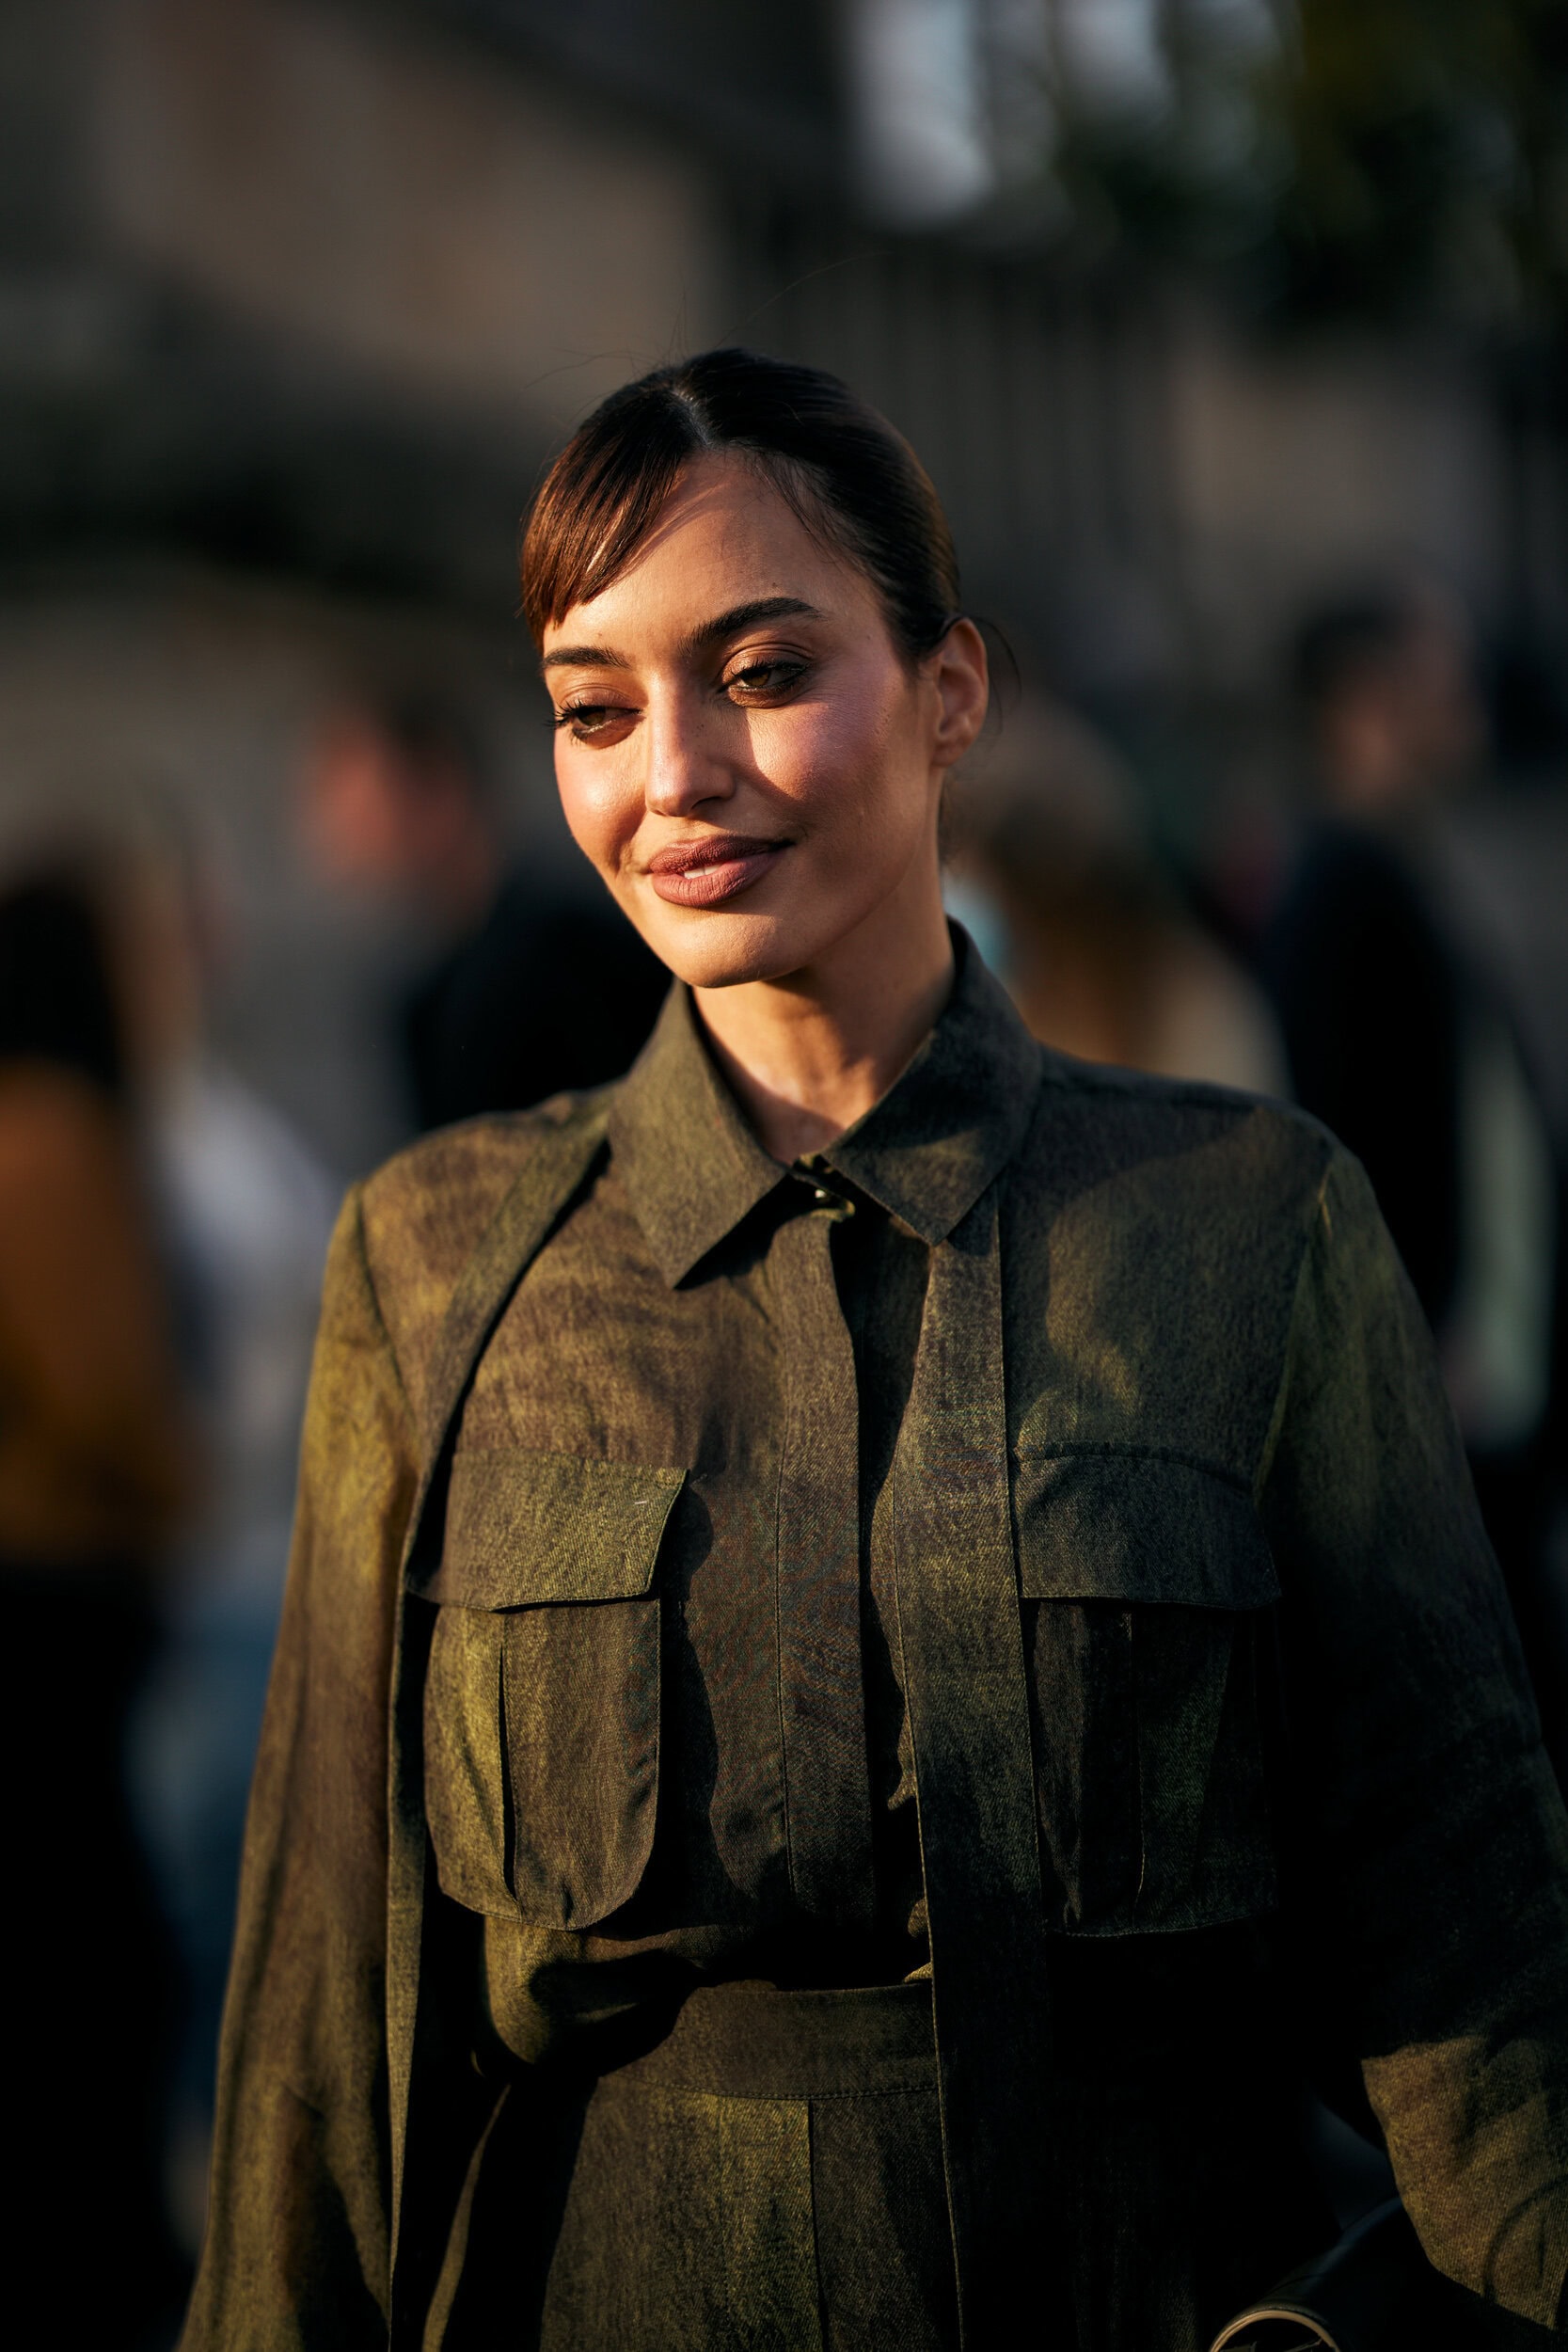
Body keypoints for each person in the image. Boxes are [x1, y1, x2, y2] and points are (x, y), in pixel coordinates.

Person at [182, 353, 1568, 2351]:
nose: (669, 773)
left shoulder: (1248, 1226)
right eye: (591, 707)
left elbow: (1478, 1972)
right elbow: (321, 2058)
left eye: (757, 672)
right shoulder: (436, 1263)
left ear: (950, 693)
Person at [1263, 585, 1564, 1755]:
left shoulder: (1384, 868)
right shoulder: (1339, 884)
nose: (1468, 692)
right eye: (1438, 669)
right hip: (1438, 1400)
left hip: (1472, 1392)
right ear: (1367, 698)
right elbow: (1329, 1133)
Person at [0, 858, 197, 2348]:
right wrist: (184, 1484)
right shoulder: (52, 1136)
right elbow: (108, 1399)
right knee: (96, 1974)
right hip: (60, 1593)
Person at [300, 691, 670, 1129]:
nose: (338, 839)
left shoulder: (567, 956)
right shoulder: (426, 997)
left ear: (439, 787)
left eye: (362, 812)